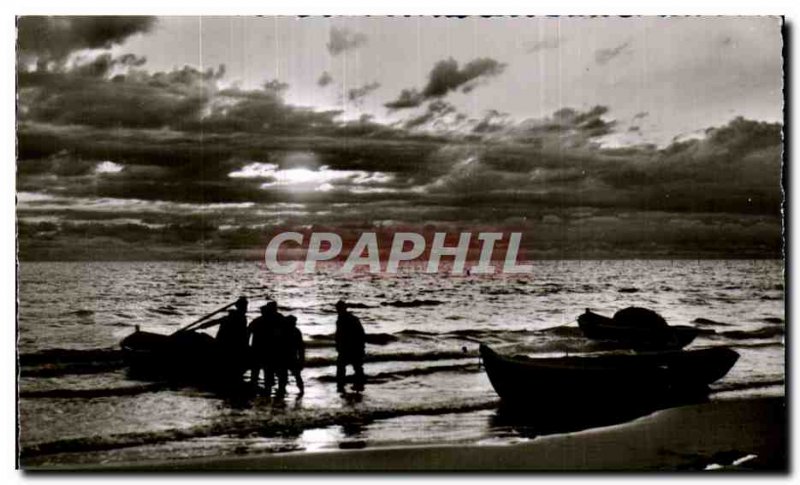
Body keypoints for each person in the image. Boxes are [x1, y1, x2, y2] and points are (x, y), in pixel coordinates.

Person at [197, 296, 249, 381]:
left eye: (246, 306)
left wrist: (204, 325)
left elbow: (215, 322)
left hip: (231, 345)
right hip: (225, 344)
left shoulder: (237, 317)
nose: (246, 308)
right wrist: (203, 326)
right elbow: (215, 322)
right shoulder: (235, 317)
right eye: (244, 306)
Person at [247, 301, 284, 393]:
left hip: (266, 350)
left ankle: (264, 389)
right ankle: (266, 390)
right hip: (265, 350)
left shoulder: (276, 319)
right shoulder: (277, 319)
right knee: (263, 372)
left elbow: (248, 332)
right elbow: (248, 332)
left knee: (264, 372)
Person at [334, 300, 366, 392]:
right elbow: (338, 334)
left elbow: (360, 334)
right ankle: (354, 385)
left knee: (353, 367)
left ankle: (353, 385)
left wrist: (361, 346)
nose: (338, 310)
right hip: (347, 347)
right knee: (352, 367)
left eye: (339, 308)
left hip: (352, 347)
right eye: (337, 308)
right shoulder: (341, 319)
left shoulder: (350, 319)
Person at [276, 315, 305, 396]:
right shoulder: (295, 331)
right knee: (293, 376)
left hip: (287, 357)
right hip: (288, 357)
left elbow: (300, 347)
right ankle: (300, 391)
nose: (294, 324)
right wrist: (301, 358)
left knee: (287, 377)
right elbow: (301, 347)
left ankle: (282, 391)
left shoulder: (281, 331)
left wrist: (301, 358)